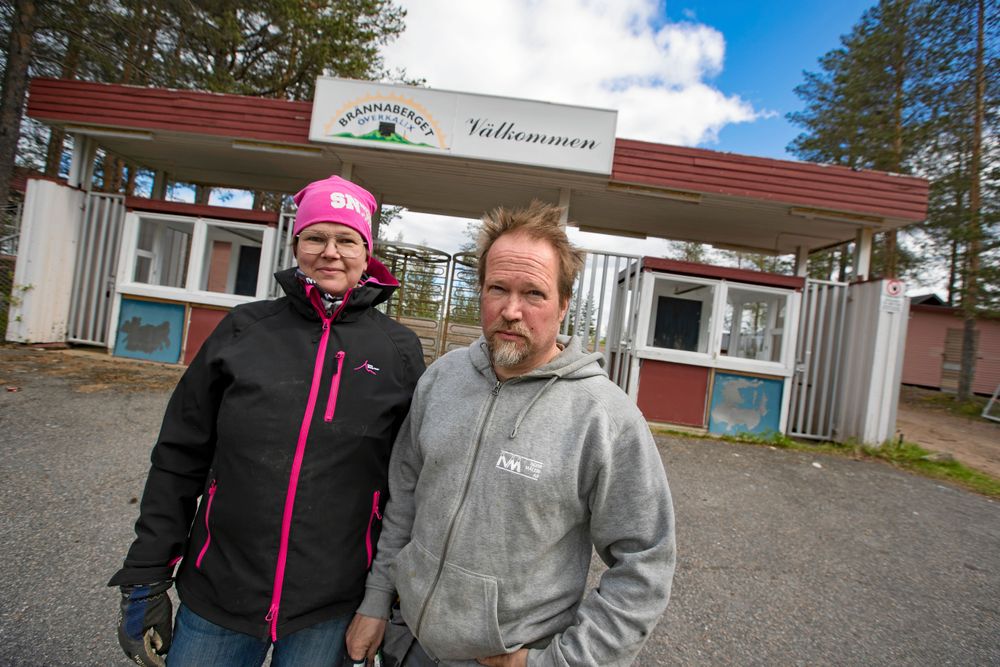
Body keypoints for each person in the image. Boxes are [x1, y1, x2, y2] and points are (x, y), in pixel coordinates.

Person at [109, 175, 425, 666]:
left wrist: (387, 600)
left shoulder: (399, 351)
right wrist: (146, 575)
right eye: (316, 237)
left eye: (346, 239)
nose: (331, 252)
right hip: (219, 593)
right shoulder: (243, 330)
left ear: (368, 253)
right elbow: (178, 457)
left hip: (330, 608)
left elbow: (406, 485)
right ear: (296, 245)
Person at [346, 201, 675, 666]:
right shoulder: (442, 379)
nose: (512, 310)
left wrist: (556, 663)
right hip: (408, 645)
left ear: (563, 305)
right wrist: (377, 599)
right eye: (497, 288)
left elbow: (645, 562)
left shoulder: (605, 419)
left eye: (534, 294)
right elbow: (404, 500)